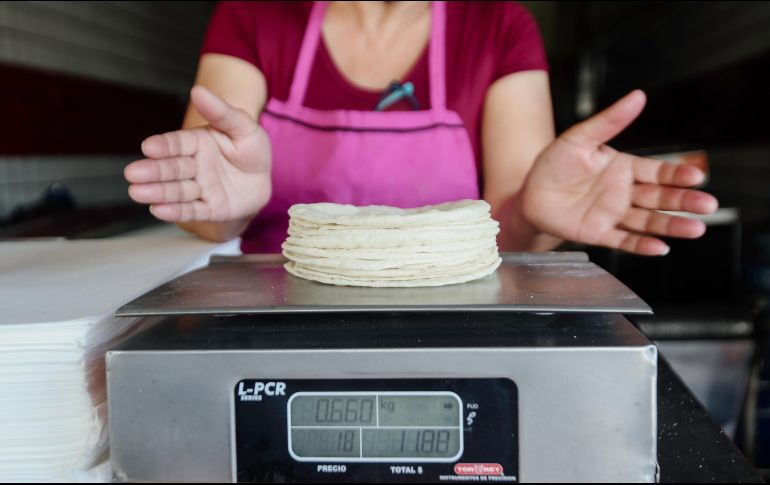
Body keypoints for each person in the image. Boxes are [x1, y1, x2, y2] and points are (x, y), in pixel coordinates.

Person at [124, 1, 718, 255]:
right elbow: (209, 207)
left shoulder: (501, 26)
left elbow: (507, 229)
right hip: (271, 324)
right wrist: (224, 208)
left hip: (446, 327)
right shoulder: (253, 15)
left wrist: (533, 216)